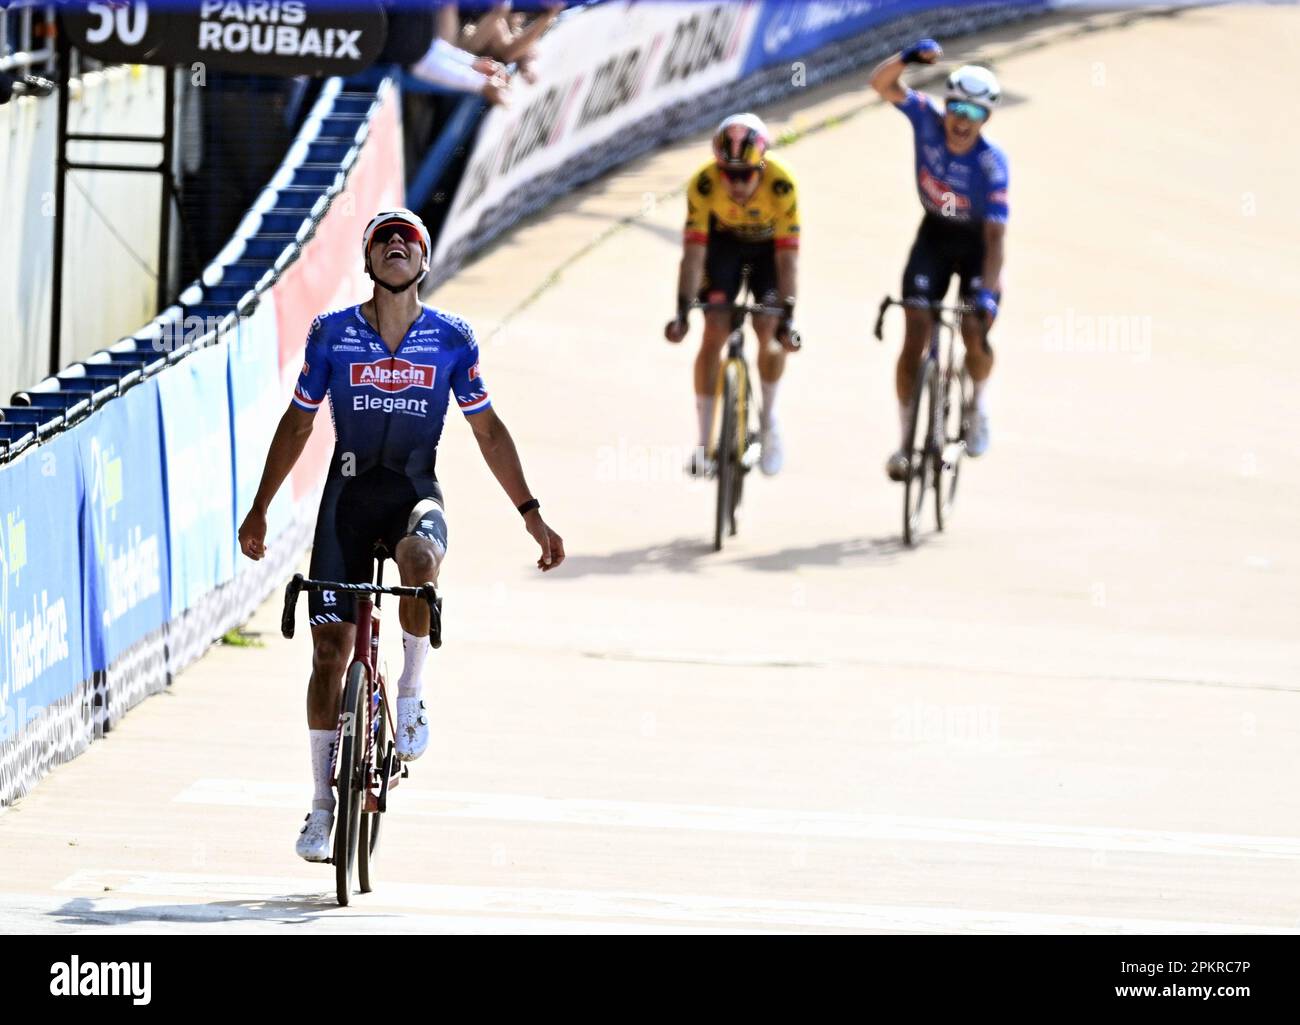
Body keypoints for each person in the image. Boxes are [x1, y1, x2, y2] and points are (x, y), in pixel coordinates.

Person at [237, 208, 565, 862]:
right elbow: (298, 425)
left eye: (408, 239)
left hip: (415, 492)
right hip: (347, 499)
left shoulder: (452, 338)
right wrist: (260, 509)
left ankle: (411, 690)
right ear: (368, 261)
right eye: (382, 238)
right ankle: (323, 804)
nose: (395, 244)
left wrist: (531, 512)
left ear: (422, 261)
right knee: (328, 654)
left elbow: (488, 431)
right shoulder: (331, 335)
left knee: (420, 557)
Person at [869, 39, 1008, 479]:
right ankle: (905, 439)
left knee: (972, 329)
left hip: (976, 249)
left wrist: (986, 294)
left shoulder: (991, 166)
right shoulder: (926, 120)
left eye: (973, 114)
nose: (960, 121)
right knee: (913, 333)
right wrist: (907, 58)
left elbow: (995, 237)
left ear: (985, 119)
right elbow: (881, 83)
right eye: (956, 109)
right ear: (945, 106)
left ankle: (978, 406)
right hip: (933, 236)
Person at [664, 113, 800, 477]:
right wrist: (682, 311)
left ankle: (769, 421)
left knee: (768, 328)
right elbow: (693, 255)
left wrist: (789, 316)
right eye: (729, 174)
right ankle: (704, 444)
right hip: (724, 247)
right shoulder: (705, 184)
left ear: (762, 165)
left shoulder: (782, 185)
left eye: (745, 175)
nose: (737, 184)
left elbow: (788, 259)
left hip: (768, 252)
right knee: (713, 330)